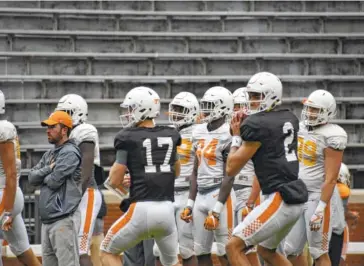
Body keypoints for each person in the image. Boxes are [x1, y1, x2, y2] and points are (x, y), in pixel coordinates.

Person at [222, 72, 307, 266]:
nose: (250, 101)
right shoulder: (288, 117)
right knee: (266, 251)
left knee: (232, 247)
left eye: (255, 96)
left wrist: (236, 136)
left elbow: (231, 168)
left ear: (271, 95)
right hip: (293, 195)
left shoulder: (257, 125)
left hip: (280, 198)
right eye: (250, 96)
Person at [100, 86, 182, 266]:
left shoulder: (127, 136)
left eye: (131, 109)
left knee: (106, 251)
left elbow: (114, 181)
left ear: (142, 108)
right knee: (173, 262)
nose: (128, 114)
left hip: (141, 209)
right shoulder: (170, 134)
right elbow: (177, 171)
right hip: (168, 209)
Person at [284, 90, 347, 266]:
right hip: (298, 195)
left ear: (328, 112)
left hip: (316, 196)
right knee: (290, 250)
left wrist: (321, 208)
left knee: (318, 252)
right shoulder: (299, 127)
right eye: (309, 109)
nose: (310, 113)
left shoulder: (333, 135)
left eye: (316, 110)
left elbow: (331, 178)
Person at [180, 86, 235, 266]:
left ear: (223, 107)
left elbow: (229, 174)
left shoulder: (229, 132)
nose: (206, 110)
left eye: (210, 105)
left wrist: (217, 208)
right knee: (201, 251)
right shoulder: (199, 131)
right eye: (205, 105)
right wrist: (190, 202)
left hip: (220, 193)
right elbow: (195, 170)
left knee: (225, 250)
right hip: (201, 195)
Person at [28, 110, 83, 266]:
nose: (48, 130)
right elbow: (32, 178)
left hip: (63, 220)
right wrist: (48, 169)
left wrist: (44, 174)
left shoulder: (70, 152)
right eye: (47, 127)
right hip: (48, 221)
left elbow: (53, 182)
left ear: (64, 130)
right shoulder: (49, 154)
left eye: (52, 127)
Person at [56, 94, 102, 266]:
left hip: (86, 194)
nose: (62, 117)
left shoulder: (85, 131)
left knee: (81, 249)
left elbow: (86, 171)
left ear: (77, 113)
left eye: (66, 113)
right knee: (69, 248)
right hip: (73, 194)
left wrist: (72, 199)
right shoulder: (66, 136)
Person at [154, 91, 200, 266]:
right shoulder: (169, 133)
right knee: (159, 249)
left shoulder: (198, 132)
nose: (177, 113)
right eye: (175, 109)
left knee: (187, 249)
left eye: (181, 109)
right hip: (167, 194)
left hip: (186, 194)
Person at [0, 90, 41, 266]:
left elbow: (11, 173)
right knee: (23, 251)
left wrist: (6, 209)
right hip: (7, 194)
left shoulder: (3, 129)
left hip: (4, 193)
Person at [231, 87, 261, 266]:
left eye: (241, 106)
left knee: (250, 248)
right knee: (234, 247)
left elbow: (258, 169)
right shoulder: (233, 128)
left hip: (248, 191)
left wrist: (251, 200)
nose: (237, 110)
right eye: (234, 106)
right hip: (233, 192)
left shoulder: (254, 130)